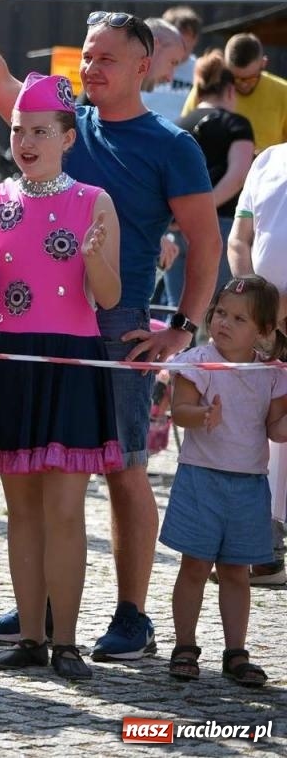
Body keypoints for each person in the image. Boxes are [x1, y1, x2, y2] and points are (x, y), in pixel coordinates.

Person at [0, 0, 218, 662]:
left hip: (116, 321)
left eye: (107, 57)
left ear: (147, 63)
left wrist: (181, 332)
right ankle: (40, 606)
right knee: (39, 469)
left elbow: (205, 242)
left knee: (123, 467)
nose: (93, 66)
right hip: (34, 321)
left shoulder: (172, 144)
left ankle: (132, 615)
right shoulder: (63, 123)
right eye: (87, 54)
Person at [0, 72, 124, 681]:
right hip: (8, 356)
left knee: (66, 511)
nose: (26, 140)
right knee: (21, 512)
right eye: (19, 130)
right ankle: (29, 637)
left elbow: (108, 296)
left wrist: (95, 257)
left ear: (68, 138)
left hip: (69, 362)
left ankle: (66, 641)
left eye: (40, 131)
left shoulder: (94, 201)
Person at [162, 276, 287, 688]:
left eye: (239, 318)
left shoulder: (271, 373)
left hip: (249, 486)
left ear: (264, 332)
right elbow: (178, 411)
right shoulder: (197, 362)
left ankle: (236, 652)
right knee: (194, 566)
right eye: (220, 313)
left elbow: (276, 430)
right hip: (200, 480)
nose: (224, 323)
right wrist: (201, 416)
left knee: (236, 571)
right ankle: (184, 646)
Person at [227, 143, 287, 586]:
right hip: (268, 325)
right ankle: (264, 545)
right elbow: (240, 238)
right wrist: (258, 310)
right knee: (265, 426)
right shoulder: (268, 161)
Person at [170, 53, 254, 300]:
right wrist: (202, 208)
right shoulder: (238, 125)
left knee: (177, 312)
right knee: (220, 308)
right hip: (221, 226)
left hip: (178, 226)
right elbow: (238, 177)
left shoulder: (176, 125)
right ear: (230, 90)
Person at [182, 33, 287, 154]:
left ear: (263, 63)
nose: (243, 84)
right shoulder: (208, 88)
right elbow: (185, 132)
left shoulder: (283, 92)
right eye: (235, 78)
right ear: (225, 65)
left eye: (251, 78)